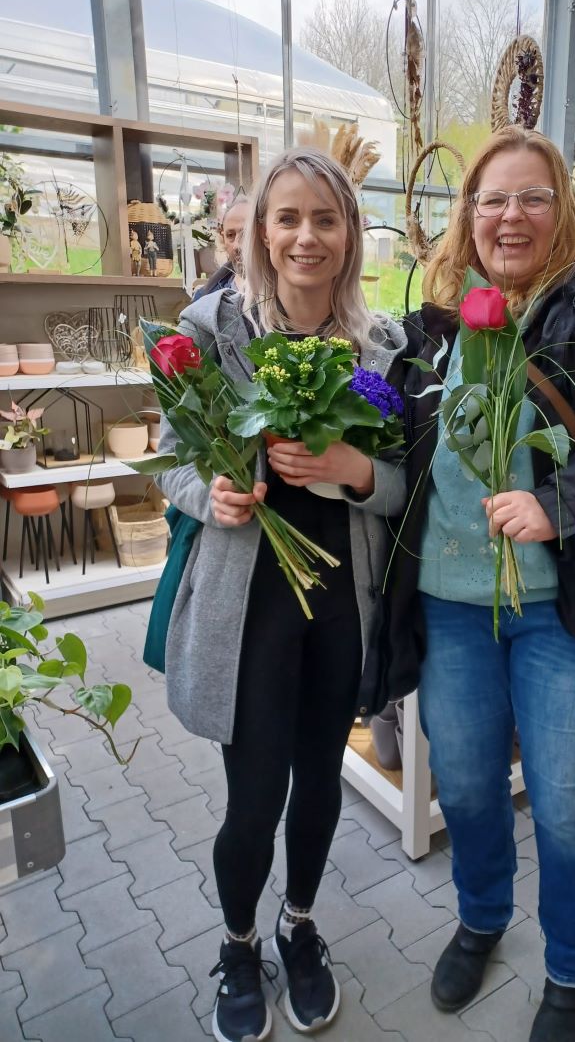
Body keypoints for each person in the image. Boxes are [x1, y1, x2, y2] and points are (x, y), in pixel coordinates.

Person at [391, 126, 575, 1042]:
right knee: (470, 785)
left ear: (561, 211)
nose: (508, 216)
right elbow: (395, 447)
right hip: (450, 605)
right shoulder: (431, 326)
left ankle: (572, 970)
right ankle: (480, 916)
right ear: (466, 216)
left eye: (530, 197)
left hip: (567, 608)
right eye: (491, 199)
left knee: (566, 801)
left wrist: (558, 502)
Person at [156, 148, 407, 1042]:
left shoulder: (382, 350)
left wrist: (353, 471)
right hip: (249, 603)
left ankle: (300, 928)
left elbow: (401, 483)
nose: (307, 236)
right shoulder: (211, 332)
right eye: (287, 218)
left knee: (320, 783)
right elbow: (173, 461)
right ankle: (236, 943)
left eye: (326, 219)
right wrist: (211, 495)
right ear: (261, 231)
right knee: (253, 794)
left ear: (349, 235)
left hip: (340, 600)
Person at [192, 196, 251, 301]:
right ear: (222, 238)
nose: (237, 245)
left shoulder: (285, 292)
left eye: (246, 234)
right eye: (230, 235)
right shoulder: (204, 299)